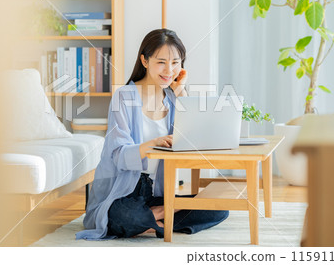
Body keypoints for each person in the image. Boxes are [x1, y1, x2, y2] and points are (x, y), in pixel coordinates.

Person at [76, 29, 229, 240]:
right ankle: (163, 218)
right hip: (126, 192)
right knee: (122, 216)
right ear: (145, 61)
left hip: (160, 192)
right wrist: (151, 144)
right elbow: (119, 155)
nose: (169, 70)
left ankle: (153, 221)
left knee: (220, 208)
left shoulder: (173, 98)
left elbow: (191, 141)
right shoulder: (124, 96)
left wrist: (181, 92)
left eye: (176, 62)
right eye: (161, 62)